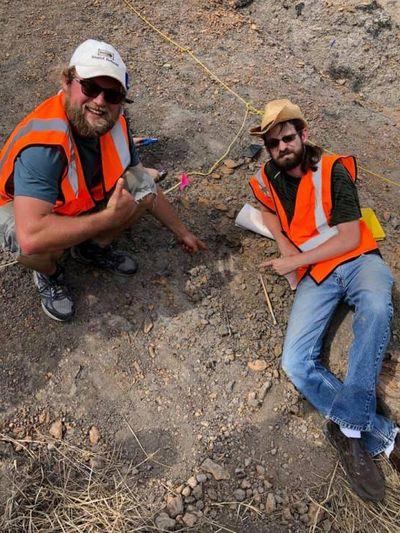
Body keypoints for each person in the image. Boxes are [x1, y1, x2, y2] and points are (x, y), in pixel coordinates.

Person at [248, 99, 399, 502]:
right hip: (318, 275)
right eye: (274, 143)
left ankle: (349, 430)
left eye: (288, 138)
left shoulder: (332, 170)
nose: (282, 147)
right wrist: (282, 241)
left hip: (357, 260)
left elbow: (350, 237)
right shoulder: (269, 175)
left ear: (303, 135)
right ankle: (383, 435)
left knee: (375, 306)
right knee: (295, 361)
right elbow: (266, 210)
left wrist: (293, 260)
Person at [0, 39, 206, 322]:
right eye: (90, 87)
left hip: (74, 203)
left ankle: (90, 249)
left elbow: (143, 181)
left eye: (112, 95)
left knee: (141, 189)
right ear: (66, 81)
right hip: (26, 211)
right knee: (36, 247)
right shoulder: (44, 148)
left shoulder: (116, 122)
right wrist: (108, 219)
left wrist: (181, 231)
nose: (100, 101)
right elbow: (31, 234)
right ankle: (50, 274)